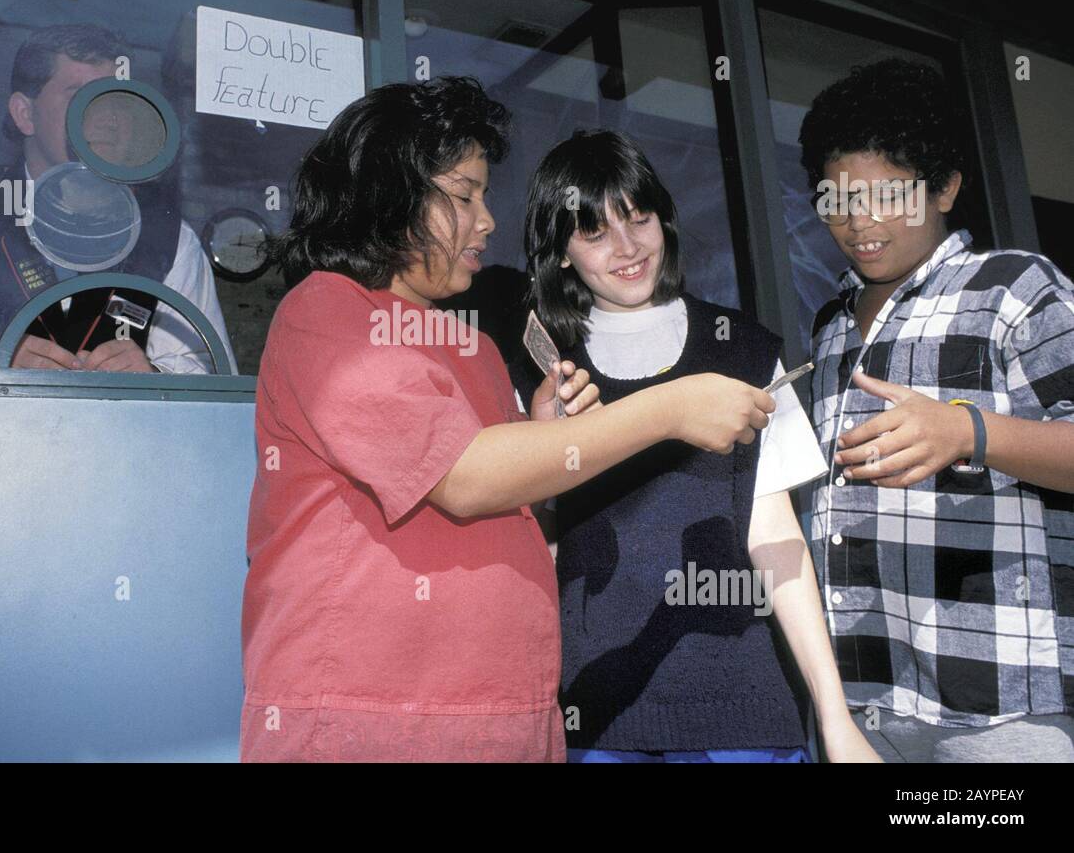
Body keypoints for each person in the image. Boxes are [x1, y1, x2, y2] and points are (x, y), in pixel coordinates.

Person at [242, 77, 781, 762]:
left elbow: (520, 507)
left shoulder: (477, 352)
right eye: (464, 195)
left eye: (485, 195)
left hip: (506, 721)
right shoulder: (330, 314)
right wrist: (670, 407)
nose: (488, 219)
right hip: (376, 721)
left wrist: (546, 433)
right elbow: (465, 478)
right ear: (388, 195)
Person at [509, 129, 877, 762]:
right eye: (595, 233)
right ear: (562, 253)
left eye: (639, 218)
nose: (627, 249)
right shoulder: (541, 378)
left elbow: (775, 536)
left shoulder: (747, 349)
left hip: (746, 714)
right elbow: (532, 551)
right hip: (594, 717)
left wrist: (834, 715)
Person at [799, 57, 1074, 762]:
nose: (858, 222)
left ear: (946, 187)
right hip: (868, 700)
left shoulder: (1013, 290)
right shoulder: (829, 327)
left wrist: (967, 430)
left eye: (887, 196)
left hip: (1003, 712)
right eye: (836, 200)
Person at [0, 23, 236, 374]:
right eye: (82, 96)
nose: (107, 117)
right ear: (25, 114)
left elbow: (211, 375)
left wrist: (155, 377)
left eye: (117, 100)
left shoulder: (170, 238)